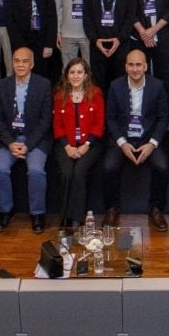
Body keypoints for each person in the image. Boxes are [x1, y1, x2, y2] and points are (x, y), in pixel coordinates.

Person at [101, 49, 169, 231]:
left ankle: (156, 208)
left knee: (163, 166)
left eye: (138, 65)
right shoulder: (116, 86)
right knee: (108, 167)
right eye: (131, 65)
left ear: (146, 66)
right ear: (125, 67)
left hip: (148, 138)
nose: (135, 69)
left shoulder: (157, 86)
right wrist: (122, 143)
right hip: (123, 137)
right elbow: (110, 118)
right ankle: (112, 208)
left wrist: (152, 144)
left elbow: (163, 118)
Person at [0, 47, 53, 234]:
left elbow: (45, 121)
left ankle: (37, 213)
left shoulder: (43, 85)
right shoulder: (3, 85)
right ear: (12, 63)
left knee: (36, 170)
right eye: (17, 61)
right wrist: (10, 143)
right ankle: (5, 211)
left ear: (32, 64)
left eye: (25, 61)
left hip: (35, 139)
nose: (20, 65)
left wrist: (28, 145)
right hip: (9, 139)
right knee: (0, 169)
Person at [53, 57, 106, 228]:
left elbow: (99, 124)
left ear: (86, 75)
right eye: (72, 72)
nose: (76, 76)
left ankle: (75, 218)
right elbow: (57, 125)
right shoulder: (59, 95)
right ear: (67, 75)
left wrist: (86, 145)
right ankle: (64, 216)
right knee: (66, 172)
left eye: (79, 72)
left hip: (90, 144)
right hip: (65, 144)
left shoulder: (96, 94)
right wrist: (67, 146)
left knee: (79, 172)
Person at [83, 0, 136, 88]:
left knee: (120, 84)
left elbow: (131, 15)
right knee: (98, 84)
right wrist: (95, 40)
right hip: (98, 45)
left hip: (121, 44)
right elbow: (87, 15)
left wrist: (120, 39)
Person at [8, 0, 58, 79]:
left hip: (42, 43)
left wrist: (49, 44)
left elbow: (52, 18)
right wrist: (20, 46)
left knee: (41, 77)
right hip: (21, 42)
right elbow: (10, 20)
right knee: (22, 76)